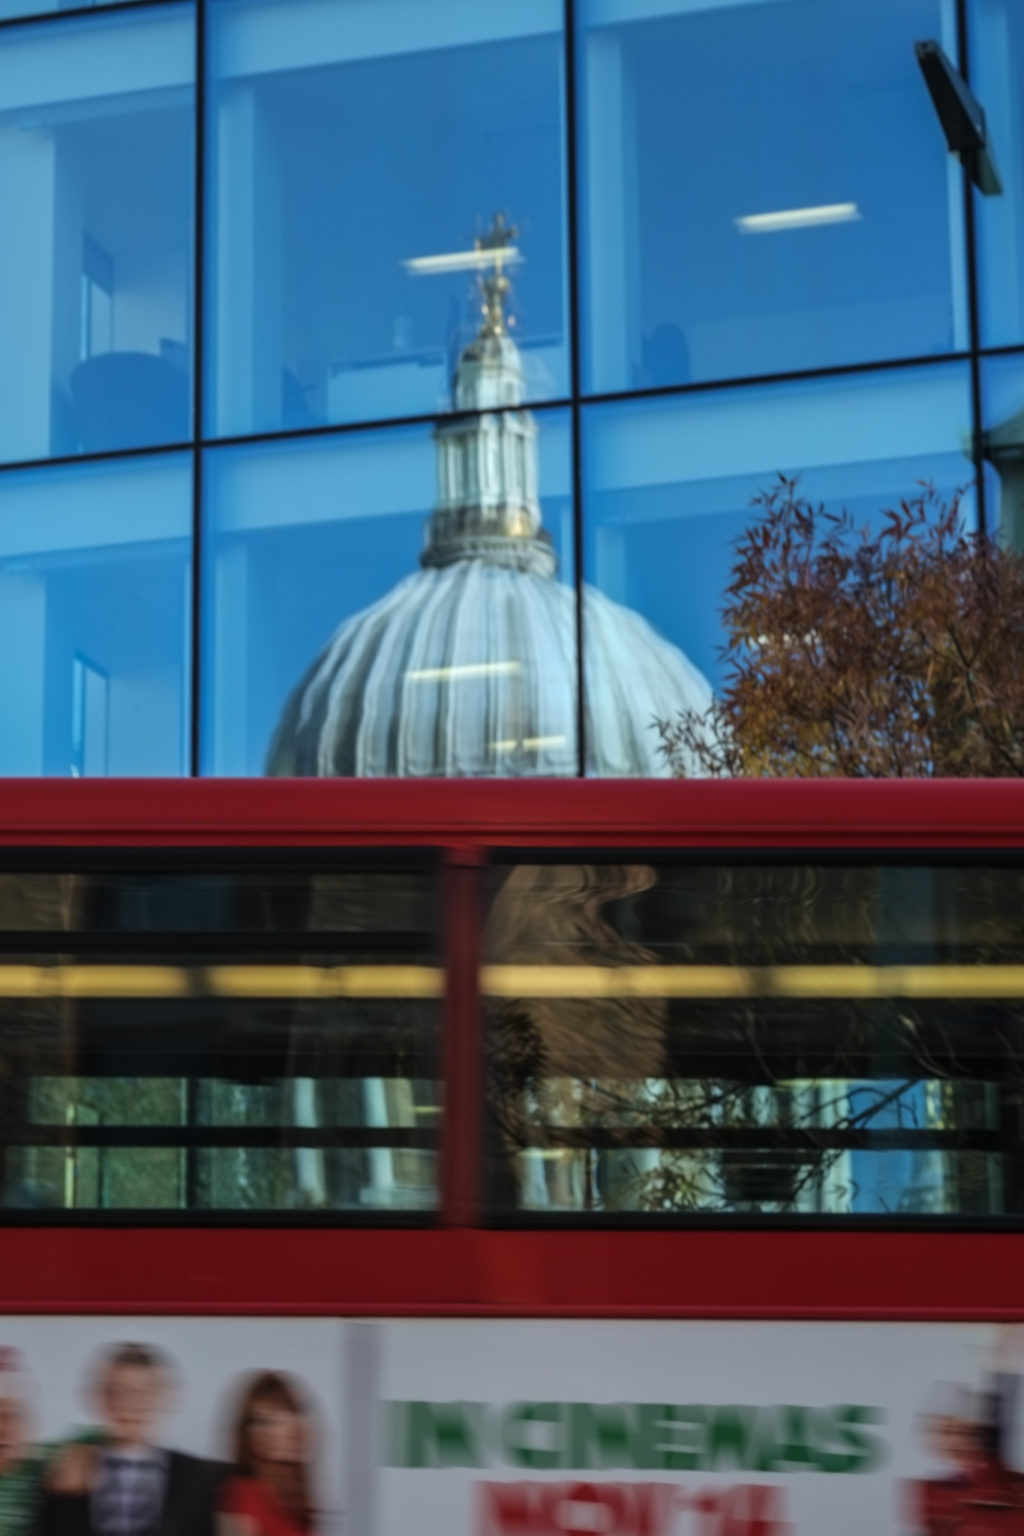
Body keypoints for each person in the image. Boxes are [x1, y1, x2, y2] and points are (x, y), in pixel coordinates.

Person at [38, 1343, 222, 1536]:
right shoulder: (67, 1472)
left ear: (163, 1397)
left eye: (143, 1392)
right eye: (116, 1391)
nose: (130, 1404)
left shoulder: (197, 1477)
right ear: (99, 1398)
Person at [218, 1374, 316, 1536]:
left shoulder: (299, 1496)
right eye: (261, 1422)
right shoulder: (240, 1491)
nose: (269, 1433)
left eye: (280, 1420)